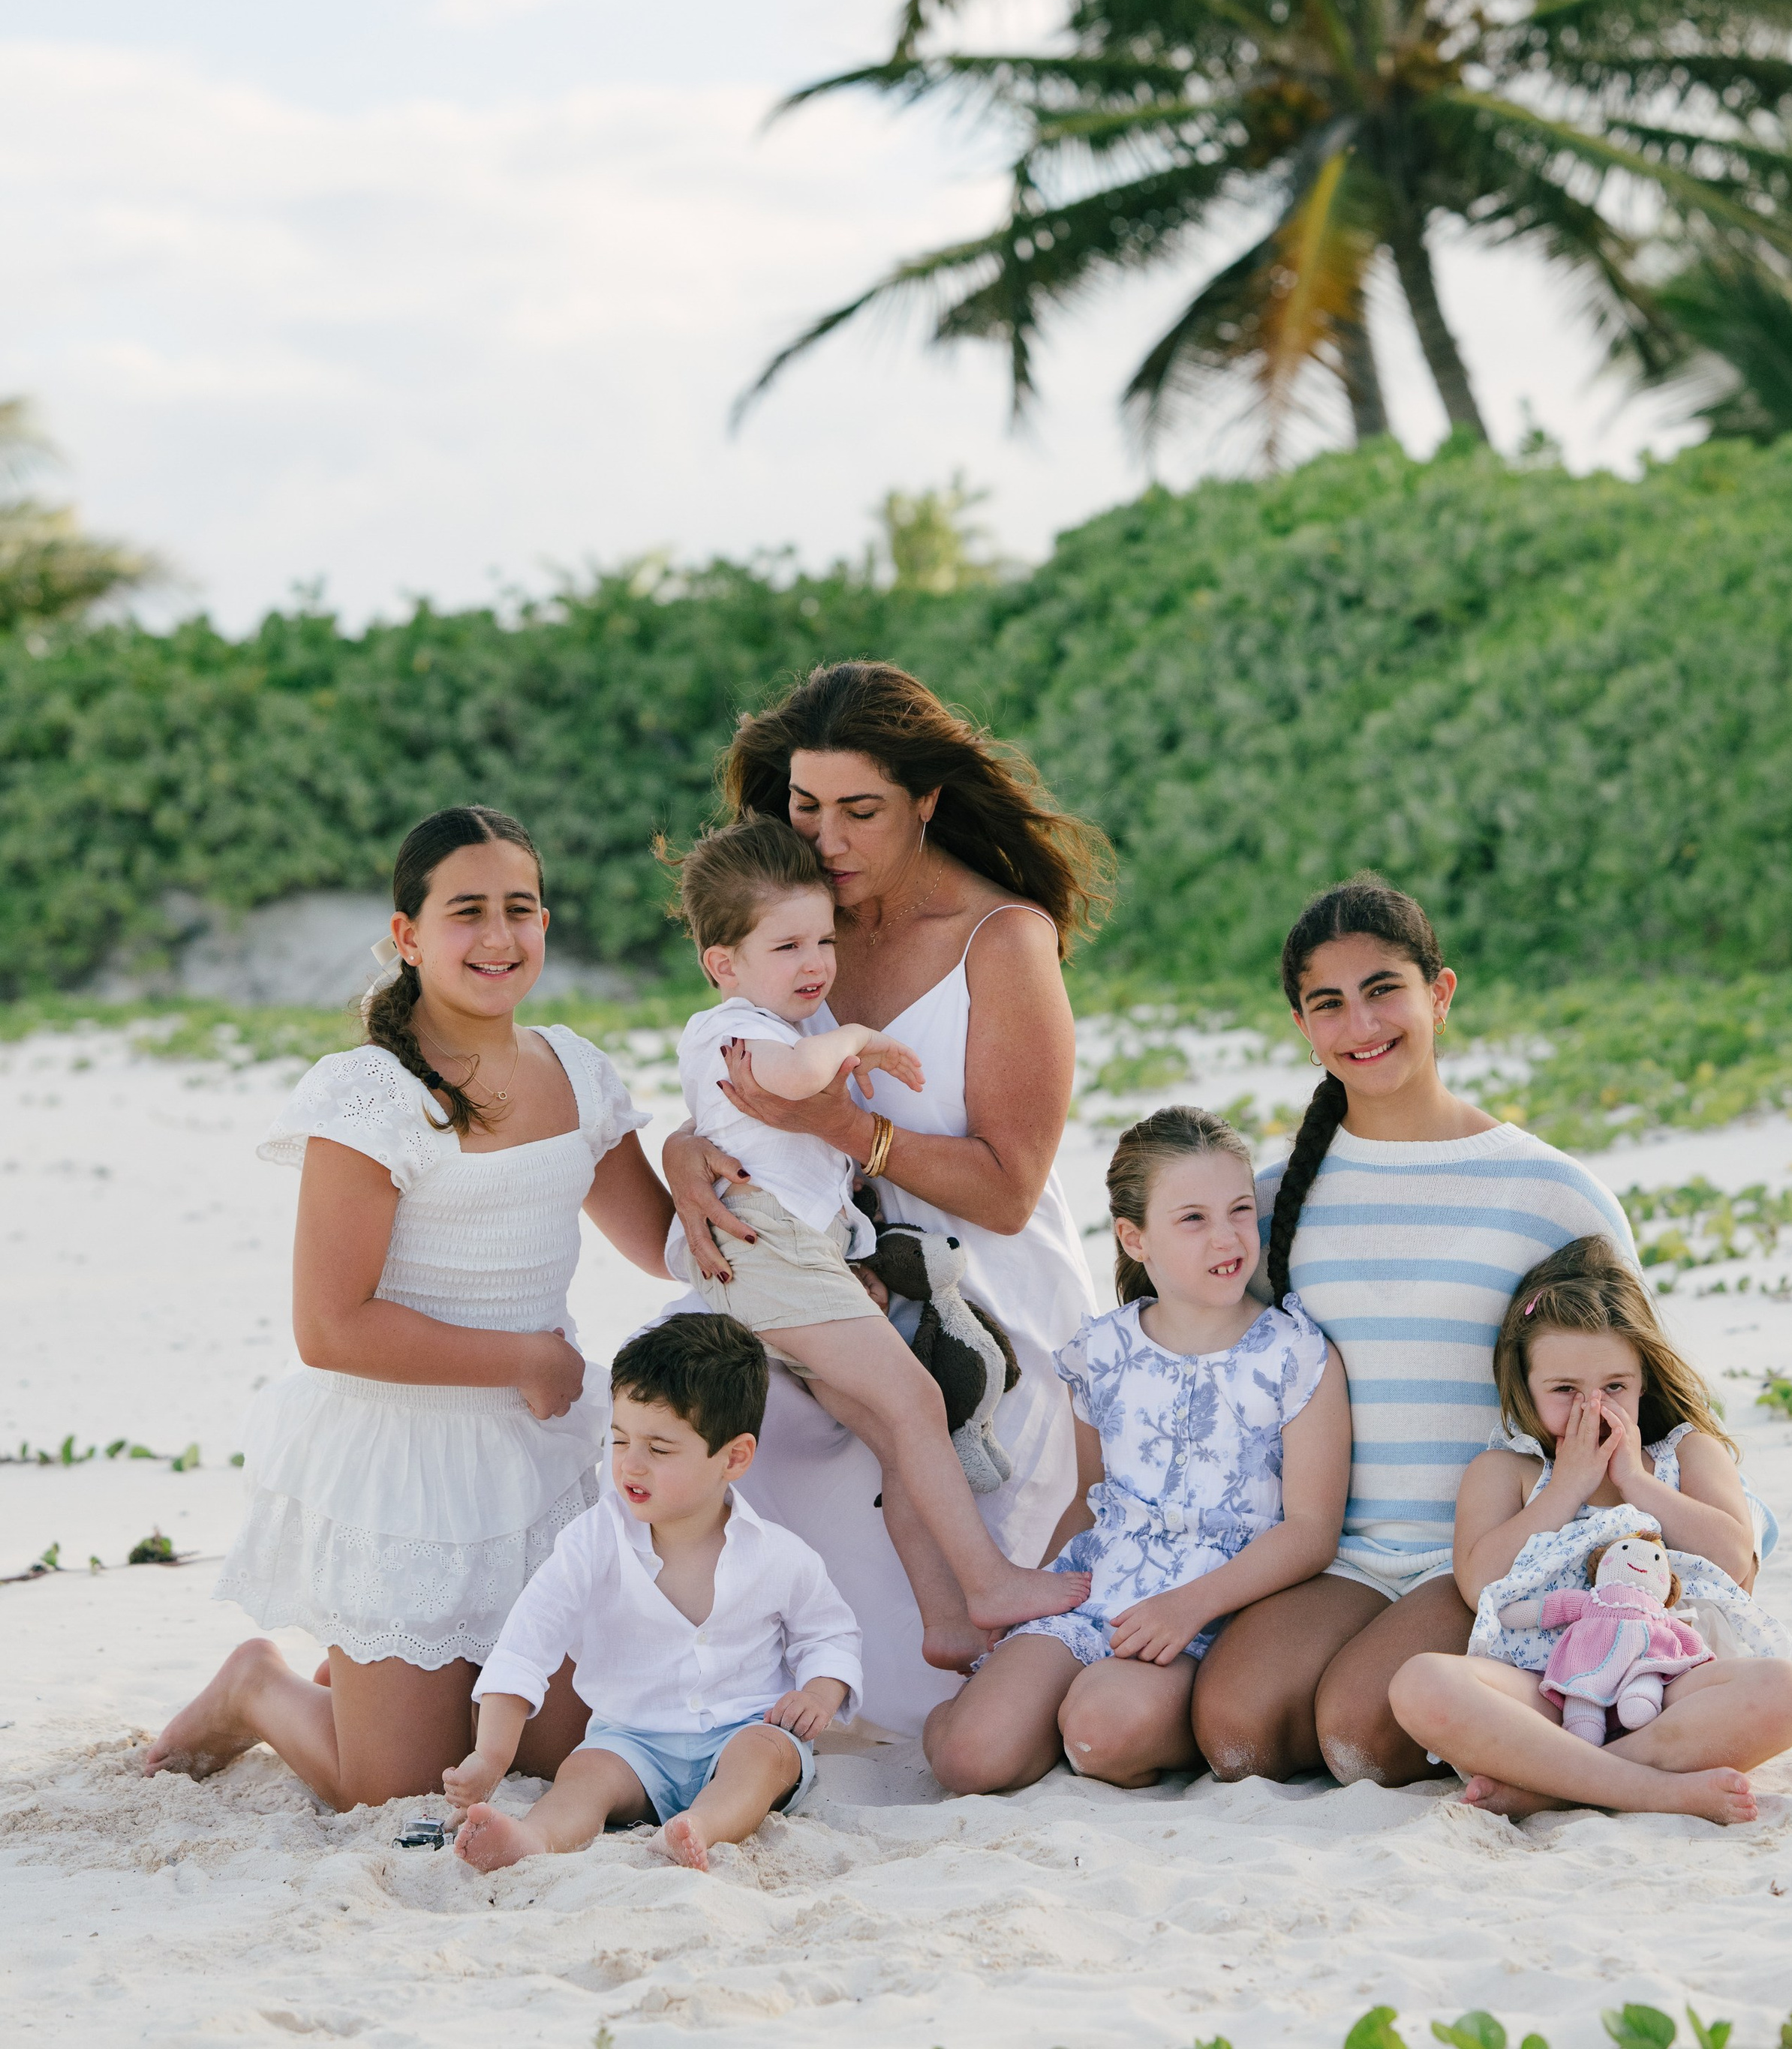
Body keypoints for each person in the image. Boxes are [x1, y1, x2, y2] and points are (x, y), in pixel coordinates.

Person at [142, 804, 728, 1810]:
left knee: (555, 1751)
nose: (499, 939)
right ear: (407, 936)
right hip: (405, 1464)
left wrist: (693, 1158)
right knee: (393, 1790)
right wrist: (524, 1360)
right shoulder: (370, 1097)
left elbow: (663, 1242)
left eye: (521, 909)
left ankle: (379, 1676)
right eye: (467, 913)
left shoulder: (574, 1072)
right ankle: (259, 1686)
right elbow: (331, 1327)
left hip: (540, 1463)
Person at [660, 659, 1111, 1728]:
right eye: (805, 809)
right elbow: (737, 1081)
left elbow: (1009, 1191)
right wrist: (685, 1153)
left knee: (902, 1407)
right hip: (818, 1251)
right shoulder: (792, 924)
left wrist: (851, 1130)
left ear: (927, 802)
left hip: (980, 1279)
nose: (828, 840)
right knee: (668, 1385)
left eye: (860, 811)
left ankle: (928, 1644)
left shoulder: (1002, 940)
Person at [1189, 875, 1637, 1791]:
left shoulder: (1552, 1193)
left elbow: (1646, 1390)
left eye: (1384, 988)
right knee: (1235, 1733)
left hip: (1492, 1550)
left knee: (1361, 1731)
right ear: (1302, 1026)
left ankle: (1564, 1714)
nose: (1360, 1023)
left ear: (1438, 993)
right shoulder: (1277, 1201)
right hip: (1341, 1550)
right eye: (1328, 1003)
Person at [921, 1107, 1352, 1794]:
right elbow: (1090, 1503)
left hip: (1216, 1610)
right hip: (1099, 1594)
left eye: (1240, 1210)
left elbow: (1310, 1532)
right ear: (1135, 1237)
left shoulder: (1295, 1355)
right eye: (1193, 1218)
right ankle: (991, 1710)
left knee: (1103, 1732)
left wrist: (1188, 1607)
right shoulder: (1102, 1353)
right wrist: (1033, 1596)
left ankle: (1091, 1713)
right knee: (970, 1759)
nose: (1227, 1236)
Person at [1388, 1236, 1792, 1821]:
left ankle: (1558, 1783)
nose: (1593, 1406)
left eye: (1614, 1387)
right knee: (1420, 1682)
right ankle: (1648, 1788)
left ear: (1643, 1383)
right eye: (1565, 1391)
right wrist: (1566, 1487)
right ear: (1525, 1388)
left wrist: (1638, 1484)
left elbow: (1735, 1562)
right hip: (1545, 1687)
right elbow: (1479, 1583)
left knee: (1789, 1691)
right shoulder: (1506, 1471)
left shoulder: (1687, 1454)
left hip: (1668, 1685)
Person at [446, 1314, 862, 1873]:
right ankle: (533, 1839)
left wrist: (818, 1692)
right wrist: (492, 1754)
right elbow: (529, 1639)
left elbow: (831, 1631)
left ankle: (699, 1828)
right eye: (619, 1439)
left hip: (742, 1729)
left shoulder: (777, 1553)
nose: (630, 1464)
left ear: (734, 1457)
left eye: (659, 1449)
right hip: (630, 1740)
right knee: (583, 1776)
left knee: (766, 1759)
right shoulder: (593, 1541)